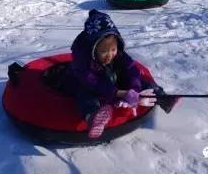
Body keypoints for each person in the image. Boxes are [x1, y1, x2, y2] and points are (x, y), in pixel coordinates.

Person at [61, 9, 179, 139]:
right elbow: (93, 82)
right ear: (93, 49)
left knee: (143, 81)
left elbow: (131, 70)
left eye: (113, 49)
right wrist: (119, 93)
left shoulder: (118, 55)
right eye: (104, 51)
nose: (110, 55)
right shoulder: (83, 63)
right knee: (86, 96)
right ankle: (94, 118)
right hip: (86, 84)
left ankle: (163, 98)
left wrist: (135, 89)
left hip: (111, 79)